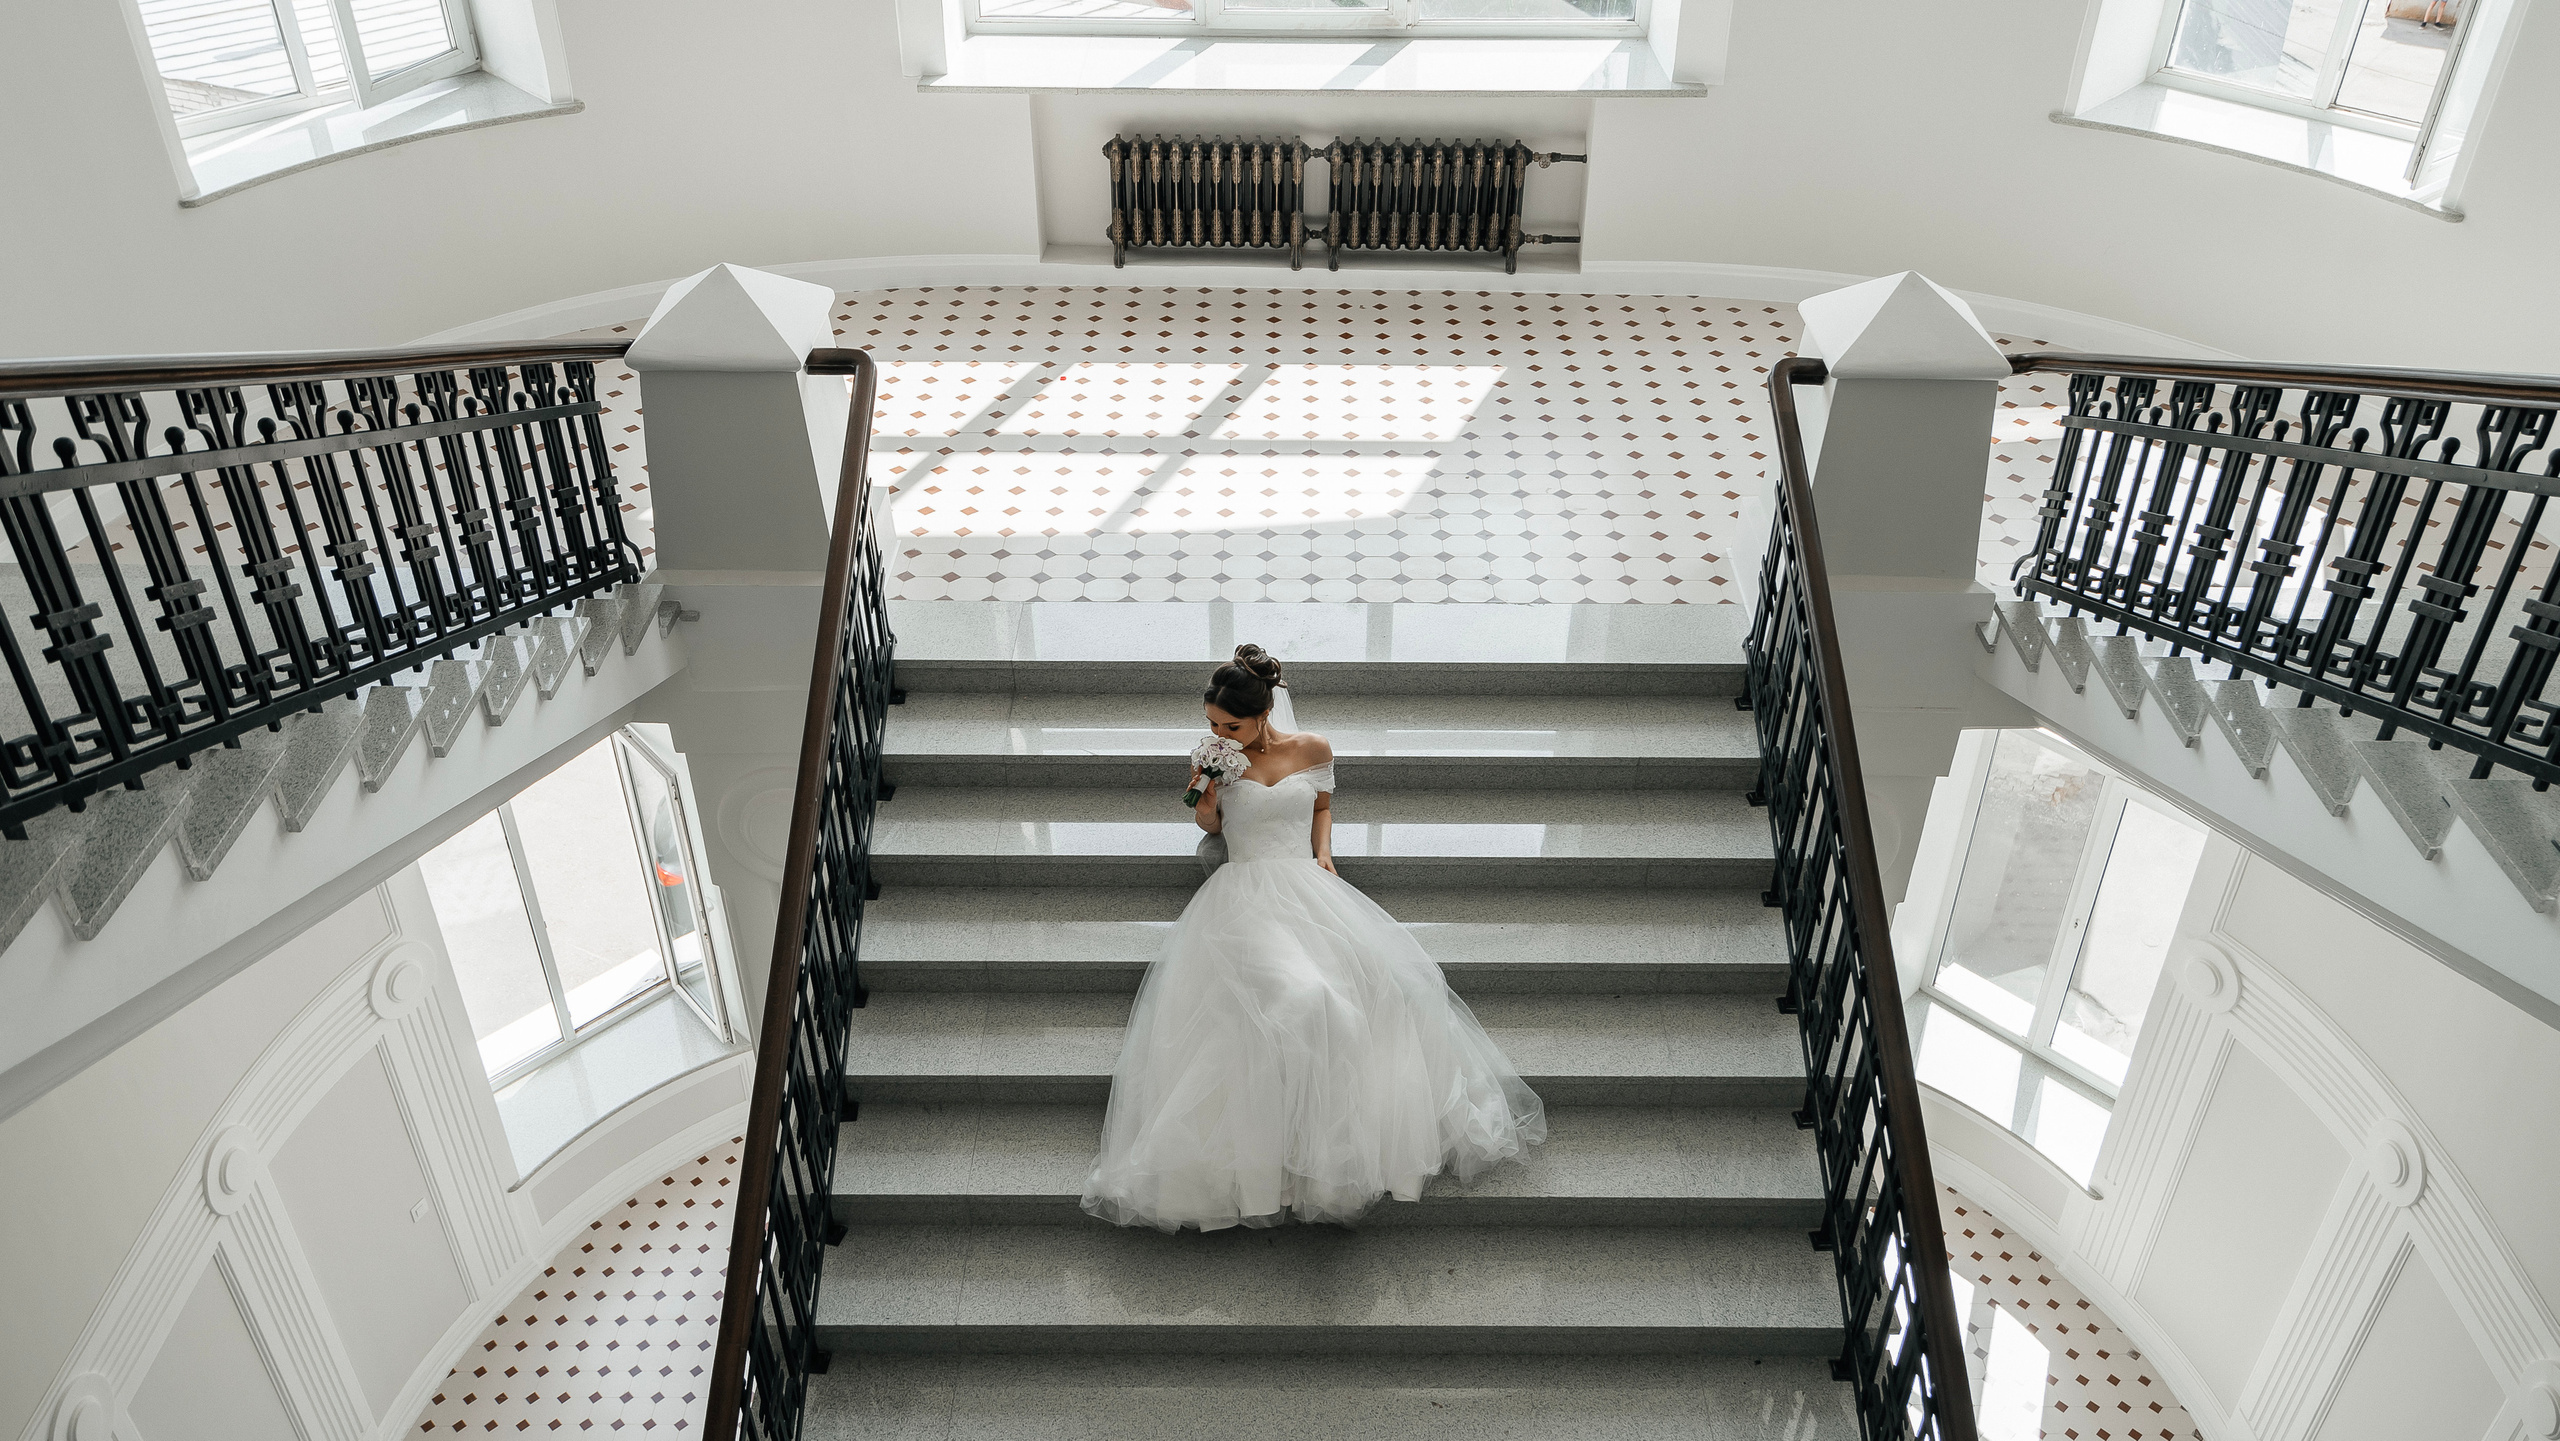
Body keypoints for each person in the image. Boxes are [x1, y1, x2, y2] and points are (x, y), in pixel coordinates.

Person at [1080, 644, 1547, 1231]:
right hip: (1244, 895)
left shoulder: (1314, 749)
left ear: (1263, 714)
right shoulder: (1216, 759)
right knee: (1305, 1000)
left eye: (1231, 724)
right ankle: (1280, 1160)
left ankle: (1333, 1153)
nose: (1220, 733)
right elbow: (1211, 826)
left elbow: (1321, 806)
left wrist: (1324, 855)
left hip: (1306, 885)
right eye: (1212, 724)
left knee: (1383, 990)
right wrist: (1205, 788)